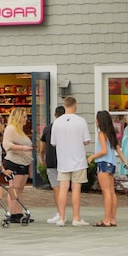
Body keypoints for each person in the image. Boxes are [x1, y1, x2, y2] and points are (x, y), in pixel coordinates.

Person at [50, 97, 91, 227]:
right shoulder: (81, 121)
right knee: (76, 188)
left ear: (64, 105)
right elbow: (86, 141)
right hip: (78, 160)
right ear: (75, 105)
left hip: (63, 160)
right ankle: (76, 218)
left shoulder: (57, 122)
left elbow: (53, 143)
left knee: (63, 189)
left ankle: (61, 218)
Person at [88, 110, 128, 227]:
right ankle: (112, 218)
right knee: (111, 191)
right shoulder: (111, 133)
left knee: (106, 192)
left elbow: (104, 151)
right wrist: (126, 162)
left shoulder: (101, 133)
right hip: (112, 163)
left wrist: (92, 156)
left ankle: (106, 219)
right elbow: (118, 150)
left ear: (100, 121)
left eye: (97, 119)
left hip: (103, 163)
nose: (95, 121)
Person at [1, 106, 35, 223]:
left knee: (19, 189)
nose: (26, 119)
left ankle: (19, 212)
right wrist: (23, 148)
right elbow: (6, 144)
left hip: (23, 162)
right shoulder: (11, 129)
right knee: (14, 188)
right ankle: (12, 213)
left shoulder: (20, 131)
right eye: (24, 117)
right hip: (14, 162)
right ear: (18, 117)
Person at [38, 105, 66, 224]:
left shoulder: (48, 128)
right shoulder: (66, 128)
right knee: (66, 187)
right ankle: (67, 213)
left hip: (52, 160)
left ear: (55, 115)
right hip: (65, 160)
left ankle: (60, 214)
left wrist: (42, 159)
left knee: (56, 188)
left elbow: (42, 148)